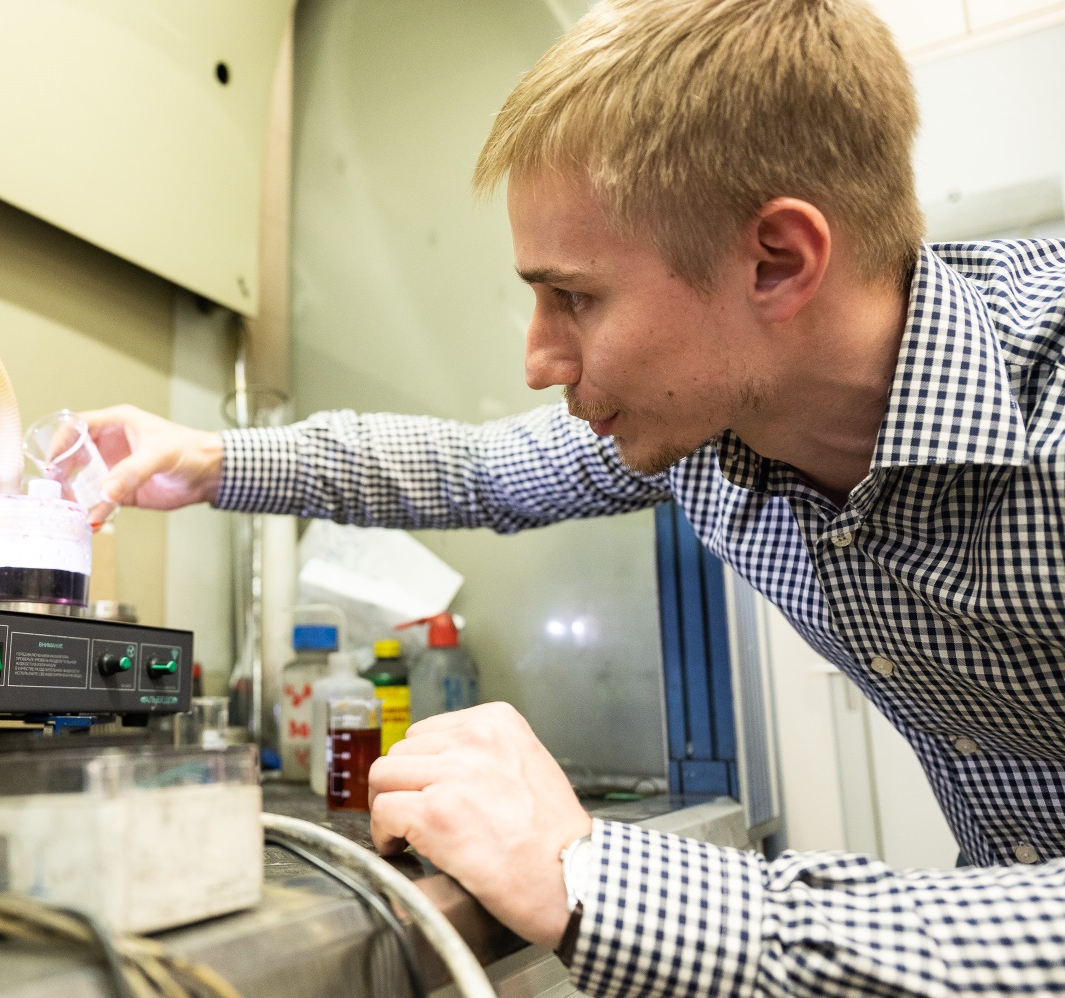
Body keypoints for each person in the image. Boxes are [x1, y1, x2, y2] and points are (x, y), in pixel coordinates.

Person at [75, 0, 1065, 992]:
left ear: (777, 262)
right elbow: (478, 468)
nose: (540, 359)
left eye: (575, 297)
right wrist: (210, 458)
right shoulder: (710, 431)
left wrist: (593, 878)